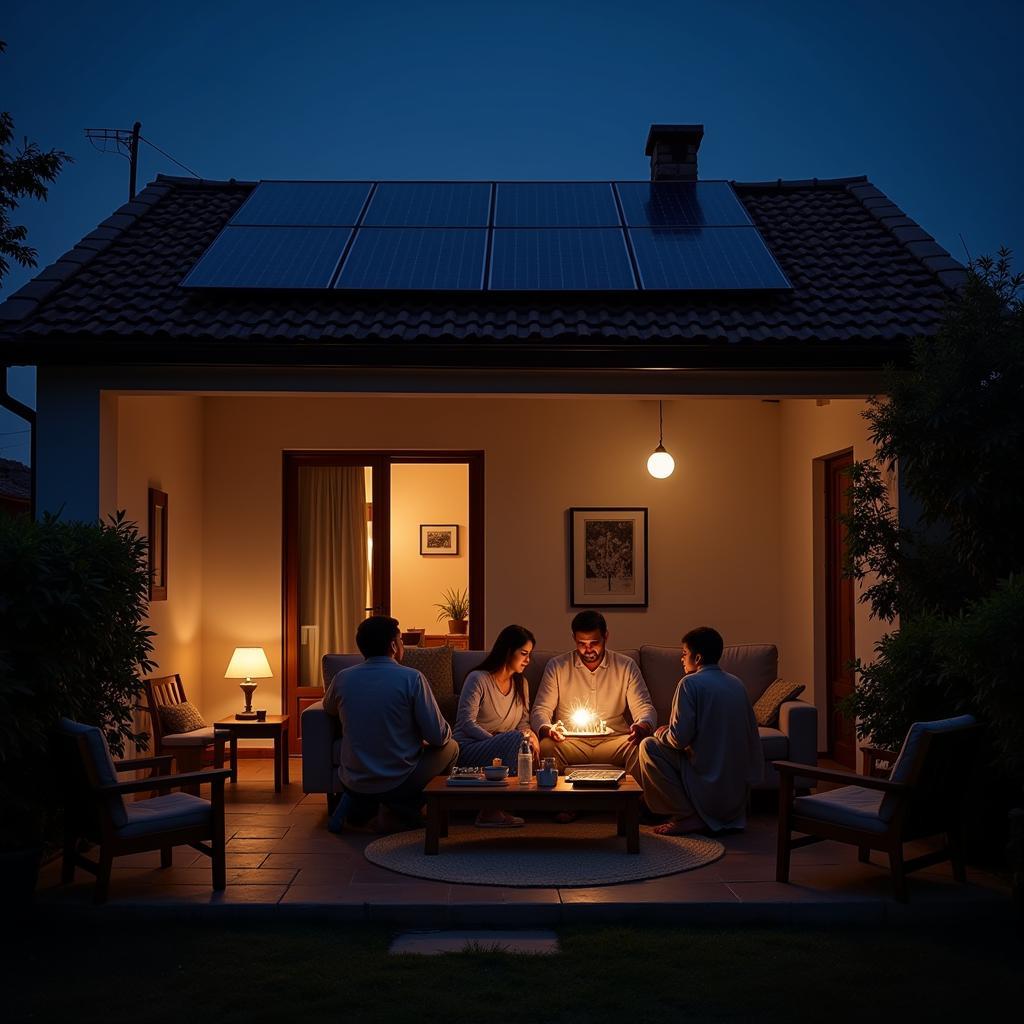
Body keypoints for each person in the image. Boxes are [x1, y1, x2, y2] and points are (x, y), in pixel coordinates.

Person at [323, 615, 458, 834]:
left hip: (353, 780)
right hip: (398, 782)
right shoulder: (411, 678)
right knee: (451, 746)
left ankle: (360, 805)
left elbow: (329, 709)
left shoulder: (342, 678)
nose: (403, 645)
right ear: (393, 646)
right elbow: (437, 735)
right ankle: (408, 809)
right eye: (402, 640)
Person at [638, 626, 763, 835]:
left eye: (684, 654)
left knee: (648, 746)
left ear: (697, 657)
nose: (681, 659)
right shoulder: (736, 683)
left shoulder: (690, 684)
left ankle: (688, 815)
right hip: (735, 792)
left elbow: (678, 739)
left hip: (707, 783)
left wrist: (660, 733)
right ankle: (706, 815)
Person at [531, 609, 656, 784]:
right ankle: (562, 809)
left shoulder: (625, 666)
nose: (588, 649)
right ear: (573, 638)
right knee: (546, 747)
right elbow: (541, 709)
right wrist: (547, 729)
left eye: (594, 643)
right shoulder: (558, 666)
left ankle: (629, 806)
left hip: (614, 740)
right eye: (581, 643)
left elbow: (643, 706)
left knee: (641, 747)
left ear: (606, 636)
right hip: (569, 741)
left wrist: (643, 725)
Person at [455, 623, 540, 828]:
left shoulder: (522, 684)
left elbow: (522, 723)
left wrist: (531, 736)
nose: (528, 660)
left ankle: (525, 803)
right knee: (516, 740)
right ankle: (489, 811)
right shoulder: (478, 679)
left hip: (505, 745)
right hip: (471, 747)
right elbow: (466, 723)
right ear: (509, 651)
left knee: (526, 741)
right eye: (523, 653)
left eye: (530, 654)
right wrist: (497, 741)